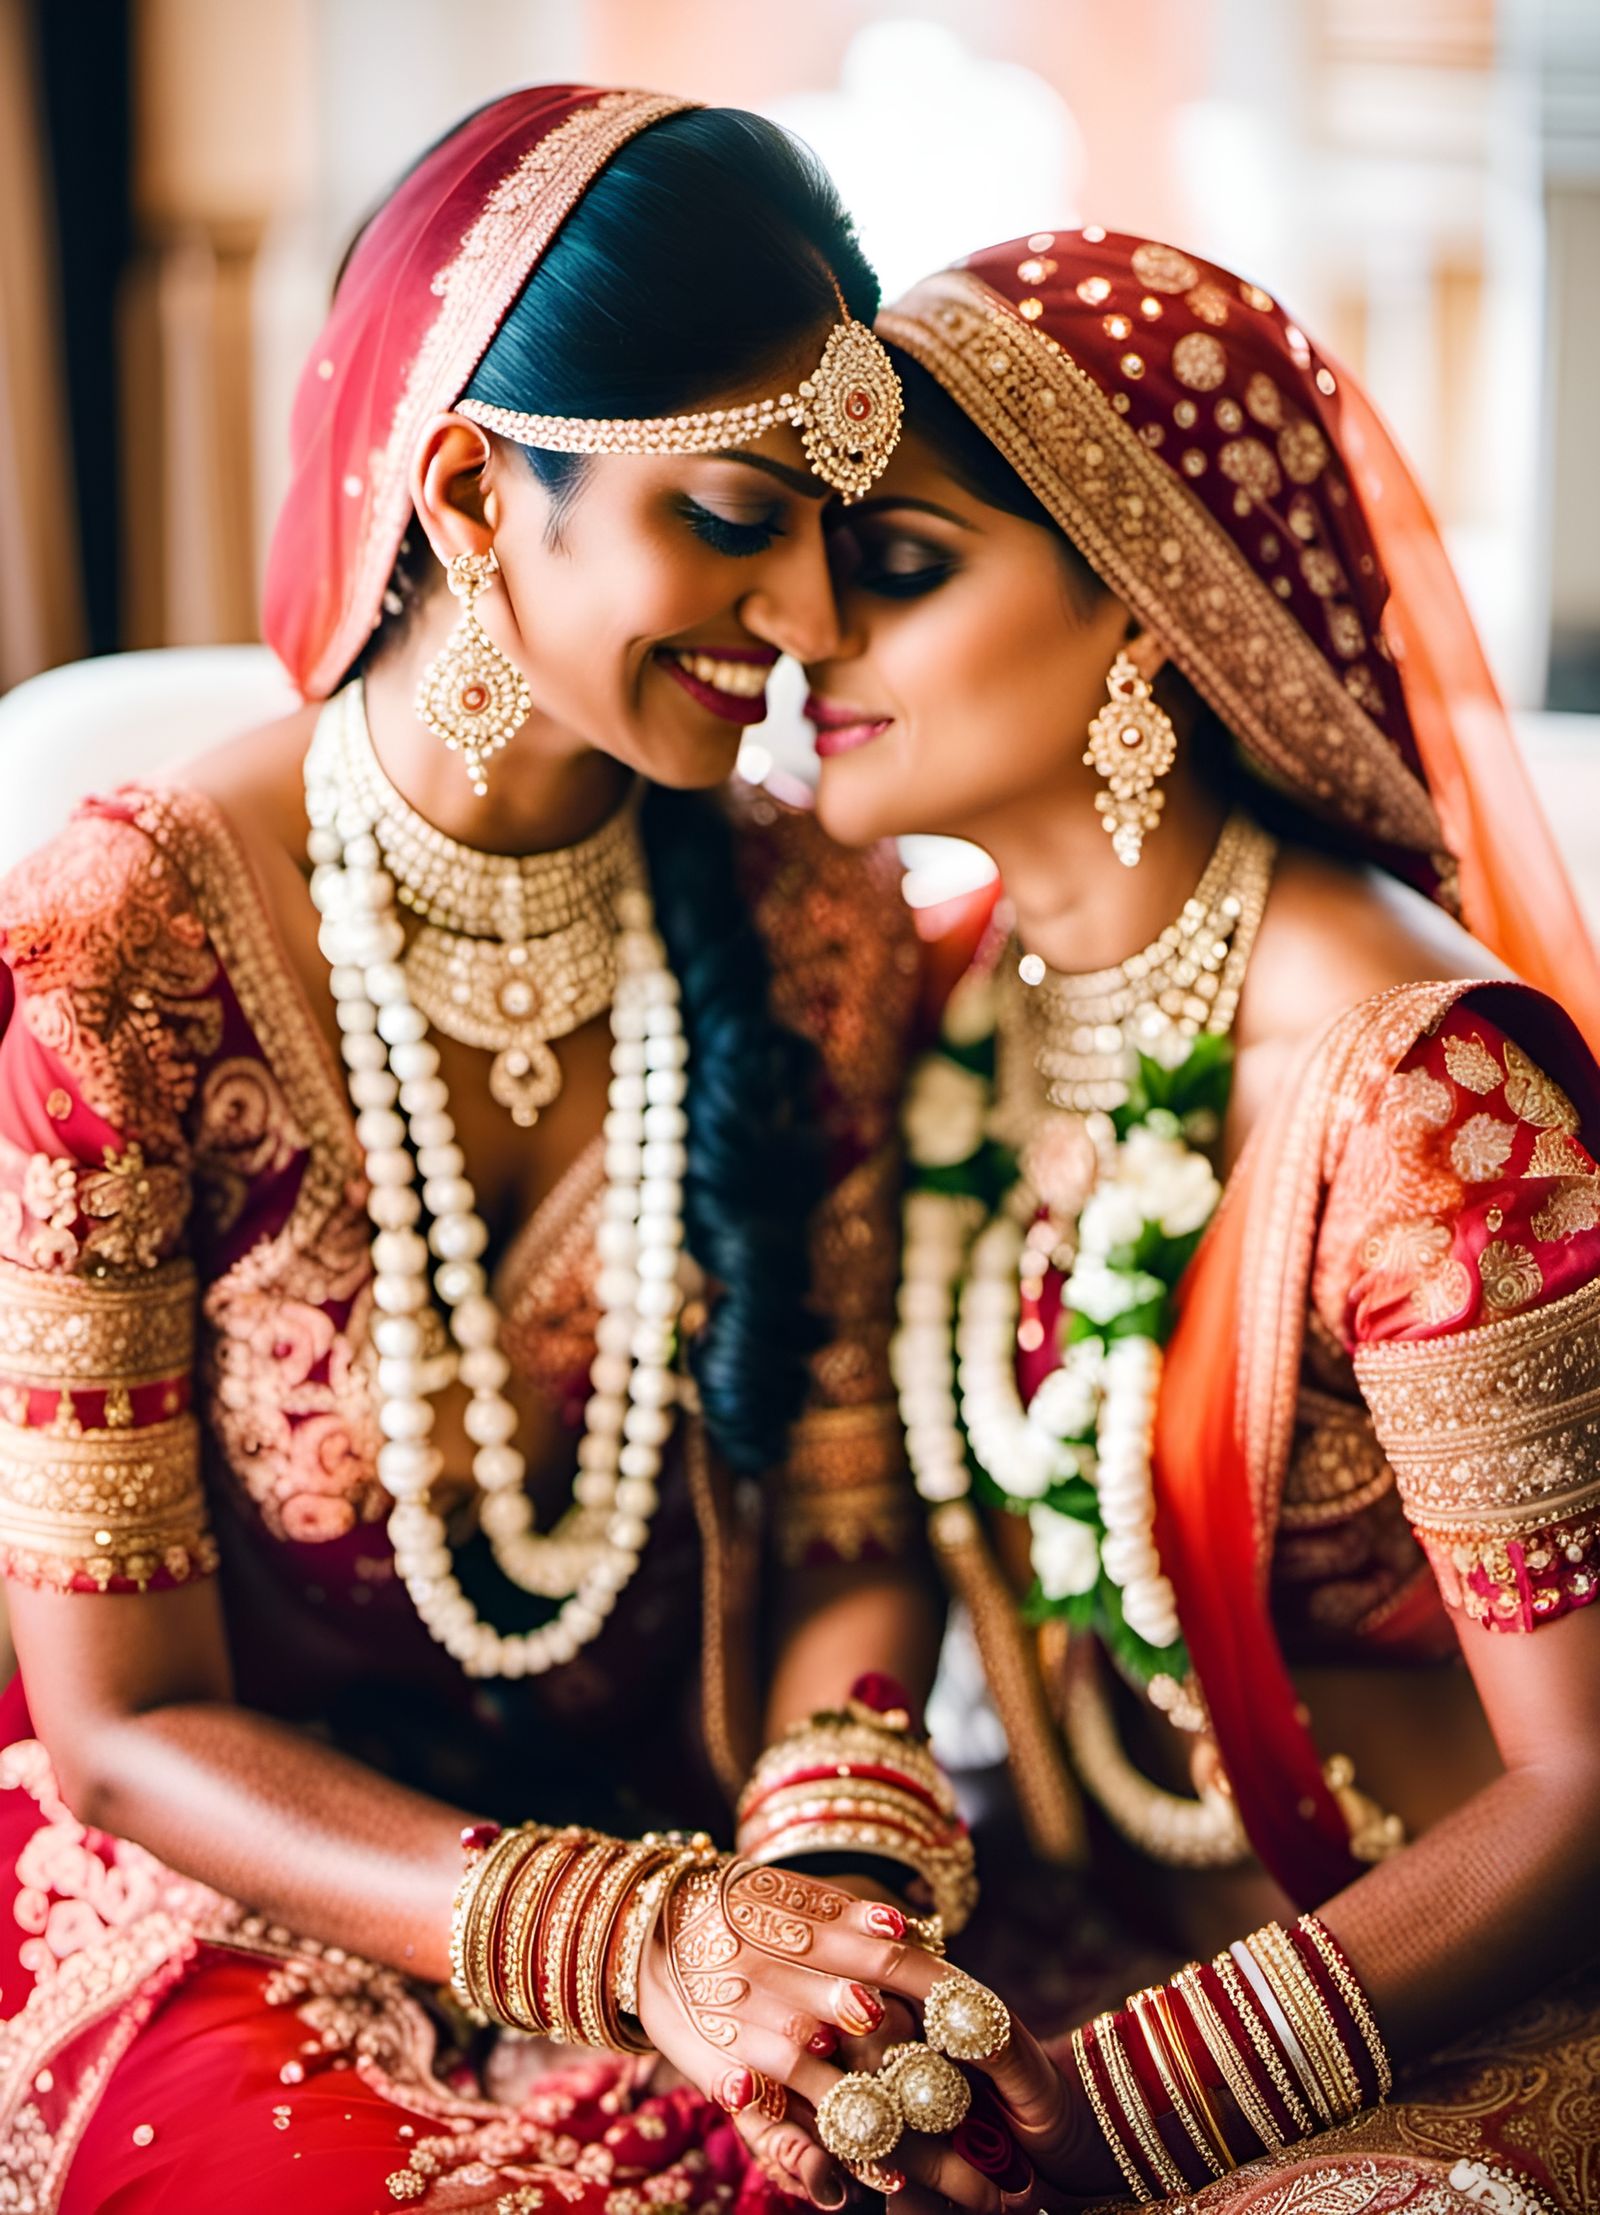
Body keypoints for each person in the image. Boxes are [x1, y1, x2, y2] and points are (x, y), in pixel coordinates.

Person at [0, 86, 971, 2213]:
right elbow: (119, 1730)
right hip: (214, 1890)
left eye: (836, 525)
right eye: (732, 515)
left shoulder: (809, 916)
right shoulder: (121, 946)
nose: (809, 619)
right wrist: (642, 1943)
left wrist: (817, 1898)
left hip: (680, 1854)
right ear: (466, 486)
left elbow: (836, 1525)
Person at [800, 229, 1600, 2210]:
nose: (804, 624)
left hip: (1472, 2014)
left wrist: (1118, 2109)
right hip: (1065, 1962)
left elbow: (1590, 1788)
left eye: (894, 563)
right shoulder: (954, 999)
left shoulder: (1422, 1100)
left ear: (1142, 603)